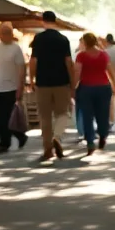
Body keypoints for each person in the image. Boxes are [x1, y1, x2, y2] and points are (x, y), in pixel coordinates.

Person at [28, 11, 74, 161]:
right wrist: (72, 82)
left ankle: (48, 149)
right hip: (61, 82)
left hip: (43, 83)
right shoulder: (63, 39)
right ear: (55, 21)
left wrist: (32, 79)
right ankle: (58, 136)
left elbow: (33, 61)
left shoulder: (38, 39)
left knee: (45, 117)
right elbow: (68, 61)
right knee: (62, 113)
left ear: (43, 21)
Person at [0, 24, 28, 153]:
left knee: (9, 117)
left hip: (11, 87)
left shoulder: (16, 49)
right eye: (0, 33)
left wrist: (20, 87)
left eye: (4, 33)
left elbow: (22, 69)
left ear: (10, 35)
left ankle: (6, 142)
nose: (1, 36)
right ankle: (12, 139)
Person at [73, 32, 115, 155]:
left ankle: (90, 141)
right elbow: (110, 70)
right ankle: (103, 136)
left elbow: (77, 72)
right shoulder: (103, 55)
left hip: (86, 88)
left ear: (85, 42)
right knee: (103, 114)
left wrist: (73, 87)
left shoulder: (81, 56)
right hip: (103, 87)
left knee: (87, 116)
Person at [104, 34, 115, 123]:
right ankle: (113, 118)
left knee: (110, 99)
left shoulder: (105, 51)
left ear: (106, 40)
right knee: (114, 98)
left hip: (109, 77)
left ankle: (111, 118)